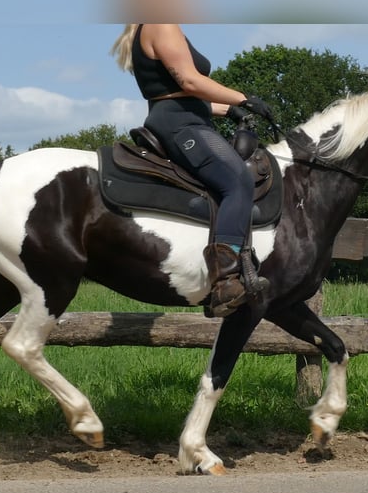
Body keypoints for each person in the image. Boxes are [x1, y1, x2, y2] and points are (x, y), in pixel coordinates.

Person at [111, 23, 273, 317]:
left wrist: (231, 110)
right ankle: (225, 280)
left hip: (183, 117)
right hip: (181, 124)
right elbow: (188, 81)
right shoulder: (160, 23)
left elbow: (179, 93)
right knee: (237, 181)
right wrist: (242, 97)